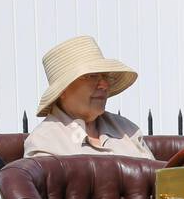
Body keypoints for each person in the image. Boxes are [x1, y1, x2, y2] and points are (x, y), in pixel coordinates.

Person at [25, 36, 153, 159]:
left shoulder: (127, 129)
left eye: (105, 76)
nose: (104, 84)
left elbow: (160, 179)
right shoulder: (44, 142)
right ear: (62, 90)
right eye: (91, 76)